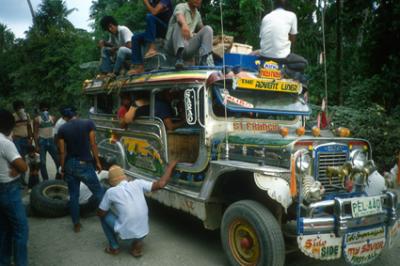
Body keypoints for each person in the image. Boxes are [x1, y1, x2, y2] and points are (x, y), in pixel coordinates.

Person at [97, 161, 177, 256]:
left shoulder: (111, 192)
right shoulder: (138, 183)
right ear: (124, 177)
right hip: (144, 233)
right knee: (127, 213)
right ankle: (136, 244)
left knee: (103, 215)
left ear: (110, 181)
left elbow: (101, 213)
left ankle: (114, 247)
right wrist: (170, 166)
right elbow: (161, 184)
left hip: (127, 235)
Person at [58, 107, 104, 232]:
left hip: (70, 164)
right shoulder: (88, 123)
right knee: (99, 191)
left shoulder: (62, 129)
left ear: (64, 117)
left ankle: (76, 224)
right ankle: (107, 216)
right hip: (85, 163)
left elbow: (62, 152)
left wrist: (62, 168)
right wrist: (98, 162)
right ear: (76, 114)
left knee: (74, 195)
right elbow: (93, 144)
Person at [0, 108, 29, 266]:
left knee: (4, 229)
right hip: (8, 189)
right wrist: (17, 167)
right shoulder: (5, 142)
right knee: (21, 229)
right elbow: (23, 167)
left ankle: (4, 261)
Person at [259, 0, 307, 71]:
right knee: (304, 63)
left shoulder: (266, 17)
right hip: (281, 59)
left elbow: (262, 38)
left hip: (264, 58)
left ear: (274, 5)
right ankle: (285, 71)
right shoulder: (292, 15)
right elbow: (293, 40)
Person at [164, 0, 214, 69]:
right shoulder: (181, 6)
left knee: (208, 29)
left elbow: (202, 29)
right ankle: (179, 58)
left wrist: (212, 37)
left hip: (186, 46)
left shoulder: (197, 14)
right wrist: (184, 25)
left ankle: (204, 60)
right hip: (172, 46)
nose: (198, 0)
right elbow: (179, 16)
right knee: (179, 24)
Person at [128, 0, 173, 75]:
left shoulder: (165, 1)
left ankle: (152, 48)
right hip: (156, 31)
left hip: (167, 29)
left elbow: (154, 12)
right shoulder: (153, 2)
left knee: (150, 16)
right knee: (135, 38)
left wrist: (146, 2)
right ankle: (139, 67)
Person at [33, 101, 60, 181]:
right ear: (41, 109)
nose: (45, 110)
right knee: (42, 162)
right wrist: (37, 145)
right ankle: (46, 180)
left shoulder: (53, 118)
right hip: (42, 141)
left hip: (51, 140)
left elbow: (55, 131)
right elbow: (35, 132)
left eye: (46, 108)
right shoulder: (37, 119)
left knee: (57, 160)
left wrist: (57, 143)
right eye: (43, 109)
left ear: (48, 109)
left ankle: (58, 176)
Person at [12, 100, 33, 187]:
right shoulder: (13, 116)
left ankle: (23, 180)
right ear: (15, 109)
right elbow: (9, 128)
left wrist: (30, 137)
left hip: (25, 139)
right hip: (17, 140)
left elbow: (29, 127)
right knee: (19, 160)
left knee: (26, 159)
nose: (20, 109)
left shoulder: (27, 115)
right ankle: (19, 181)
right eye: (18, 107)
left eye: (21, 107)